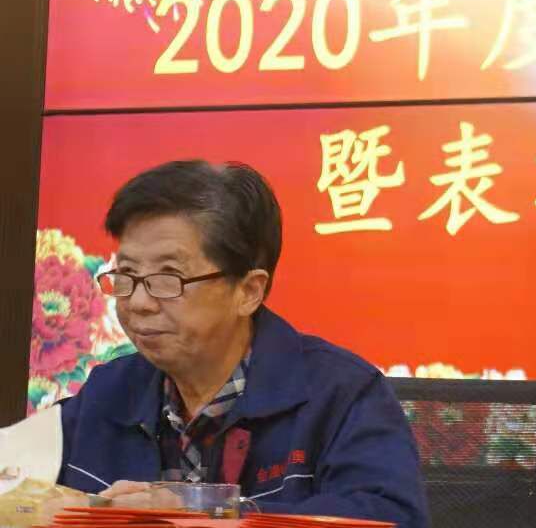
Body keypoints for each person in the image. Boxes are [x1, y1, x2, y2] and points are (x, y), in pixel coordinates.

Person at [50, 160, 428, 527]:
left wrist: (205, 513)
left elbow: (391, 518)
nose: (138, 302)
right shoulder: (108, 391)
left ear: (248, 292)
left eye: (169, 277)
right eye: (127, 274)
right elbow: (27, 481)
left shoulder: (342, 395)